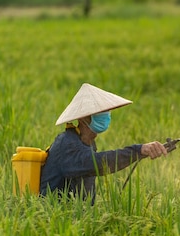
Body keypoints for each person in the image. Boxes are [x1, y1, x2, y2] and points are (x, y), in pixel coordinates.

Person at [40, 83, 168, 202]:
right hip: (53, 217)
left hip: (76, 216)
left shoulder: (88, 144)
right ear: (83, 117)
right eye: (100, 113)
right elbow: (97, 163)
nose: (105, 116)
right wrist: (137, 150)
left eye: (106, 112)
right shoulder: (67, 143)